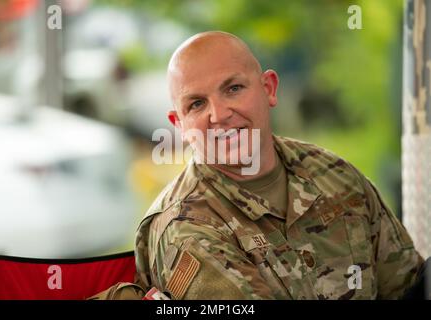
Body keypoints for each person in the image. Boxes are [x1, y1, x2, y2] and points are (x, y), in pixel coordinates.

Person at [132, 31, 424, 300]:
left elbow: (405, 286)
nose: (219, 115)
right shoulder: (186, 229)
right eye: (196, 104)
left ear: (269, 89)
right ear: (179, 125)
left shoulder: (334, 174)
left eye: (233, 89)